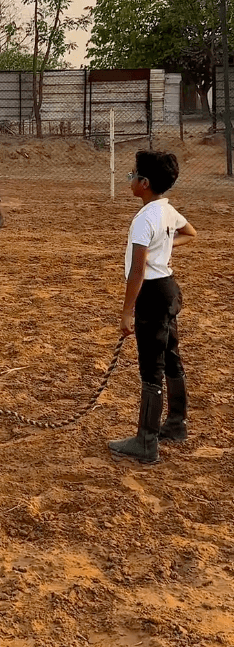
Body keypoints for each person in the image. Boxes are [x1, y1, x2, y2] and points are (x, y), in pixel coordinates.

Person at [108, 149, 197, 464]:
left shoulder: (144, 218)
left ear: (144, 183)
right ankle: (176, 424)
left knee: (151, 368)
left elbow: (137, 270)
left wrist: (126, 310)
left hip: (151, 295)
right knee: (171, 357)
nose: (130, 178)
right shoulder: (167, 210)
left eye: (133, 175)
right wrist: (167, 248)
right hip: (170, 290)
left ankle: (146, 442)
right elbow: (191, 233)